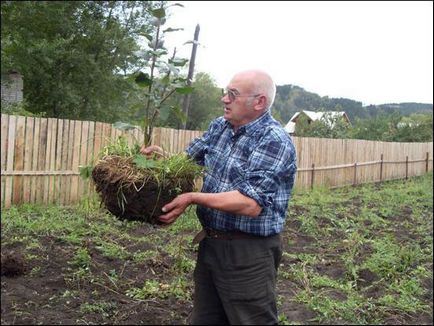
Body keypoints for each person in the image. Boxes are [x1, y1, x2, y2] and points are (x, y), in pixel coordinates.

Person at [141, 69, 297, 325]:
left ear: (259, 102)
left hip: (248, 252)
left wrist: (193, 197)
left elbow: (250, 204)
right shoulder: (220, 127)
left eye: (233, 95)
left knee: (252, 320)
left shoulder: (273, 140)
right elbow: (187, 162)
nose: (225, 99)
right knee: (206, 319)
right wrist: (162, 157)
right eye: (225, 92)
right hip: (211, 244)